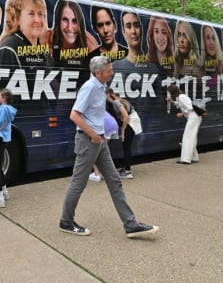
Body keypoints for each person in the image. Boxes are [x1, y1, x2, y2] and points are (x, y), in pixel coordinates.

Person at [59, 55, 159, 238]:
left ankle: (131, 225)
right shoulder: (89, 88)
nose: (112, 72)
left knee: (114, 181)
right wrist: (93, 135)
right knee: (78, 183)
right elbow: (74, 115)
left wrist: (100, 136)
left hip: (100, 141)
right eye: (108, 70)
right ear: (98, 73)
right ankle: (66, 221)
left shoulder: (101, 87)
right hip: (88, 141)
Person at [46, 0, 99, 69]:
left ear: (80, 22)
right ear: (58, 20)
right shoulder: (48, 38)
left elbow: (97, 73)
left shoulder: (89, 44)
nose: (70, 28)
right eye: (65, 19)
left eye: (74, 21)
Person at [107, 88, 142, 179]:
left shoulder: (116, 103)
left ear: (108, 94)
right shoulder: (118, 100)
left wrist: (122, 130)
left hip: (130, 124)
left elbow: (126, 117)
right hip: (132, 123)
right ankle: (126, 168)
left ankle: (128, 172)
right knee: (126, 146)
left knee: (126, 147)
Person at [166, 85, 201, 164]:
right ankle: (194, 157)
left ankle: (186, 159)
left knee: (187, 137)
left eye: (169, 92)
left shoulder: (181, 97)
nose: (169, 94)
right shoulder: (181, 96)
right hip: (194, 117)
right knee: (192, 137)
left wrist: (181, 114)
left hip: (193, 118)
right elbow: (178, 104)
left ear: (172, 92)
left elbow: (190, 107)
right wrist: (171, 101)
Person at [88, 110, 119, 183]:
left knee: (93, 151)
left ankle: (97, 174)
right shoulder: (98, 107)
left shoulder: (87, 110)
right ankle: (106, 173)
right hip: (113, 126)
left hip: (105, 129)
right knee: (102, 151)